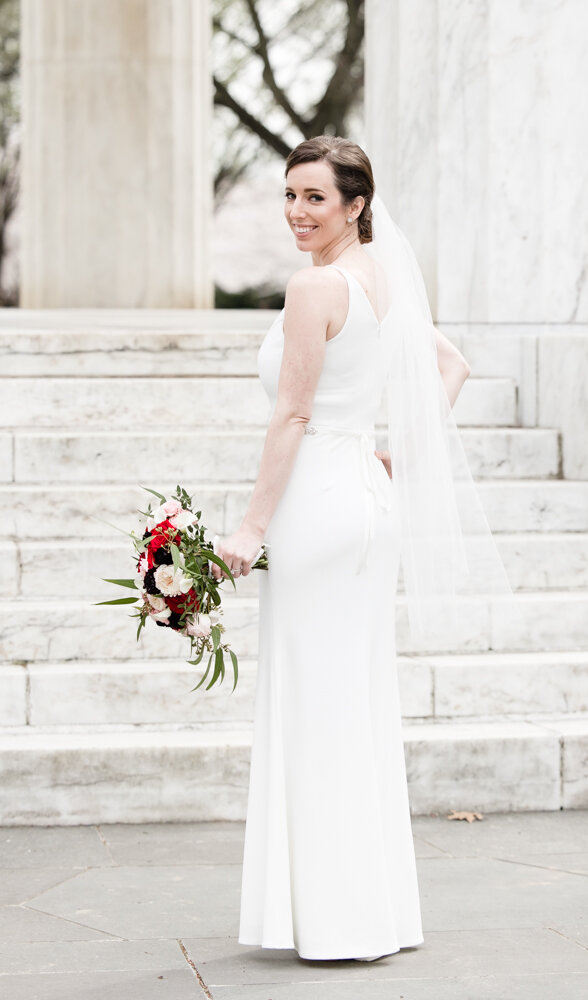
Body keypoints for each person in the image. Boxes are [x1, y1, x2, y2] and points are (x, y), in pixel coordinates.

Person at [212, 136, 474, 962]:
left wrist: (250, 529)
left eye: (314, 198)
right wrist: (392, 457)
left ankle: (327, 921)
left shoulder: (315, 286)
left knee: (314, 708)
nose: (296, 212)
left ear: (355, 205)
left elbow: (291, 414)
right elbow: (453, 367)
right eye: (289, 195)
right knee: (351, 706)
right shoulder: (385, 279)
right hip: (365, 502)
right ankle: (370, 915)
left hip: (318, 510)